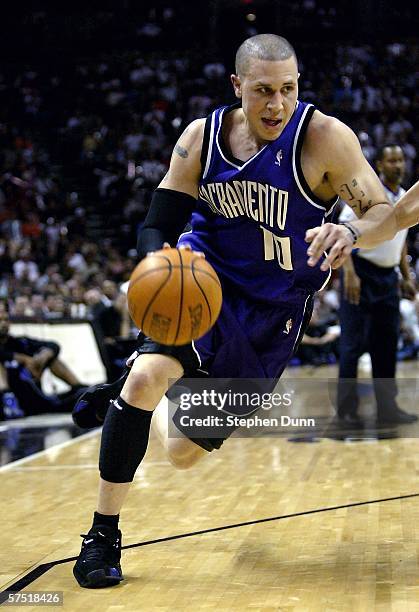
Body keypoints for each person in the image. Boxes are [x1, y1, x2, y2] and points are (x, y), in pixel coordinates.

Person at [73, 33, 397, 589]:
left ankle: (138, 390)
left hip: (273, 315)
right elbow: (161, 213)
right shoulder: (203, 137)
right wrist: (160, 261)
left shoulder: (323, 138)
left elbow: (383, 210)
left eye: (289, 90)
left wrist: (349, 229)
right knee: (149, 379)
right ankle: (102, 535)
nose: (277, 104)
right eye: (264, 91)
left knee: (180, 453)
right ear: (237, 86)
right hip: (205, 286)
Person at [337, 144, 417, 427]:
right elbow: (344, 234)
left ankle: (387, 408)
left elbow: (401, 239)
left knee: (386, 345)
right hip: (360, 273)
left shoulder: (406, 196)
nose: (397, 165)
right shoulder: (368, 195)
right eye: (391, 160)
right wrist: (349, 273)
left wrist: (405, 276)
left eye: (400, 160)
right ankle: (346, 411)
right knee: (352, 345)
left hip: (387, 277)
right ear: (380, 166)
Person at [305, 179, 419, 270]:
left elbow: (398, 235)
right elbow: (393, 223)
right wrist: (350, 232)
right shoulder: (372, 192)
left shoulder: (401, 192)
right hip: (364, 266)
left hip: (390, 269)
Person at [0, 304, 87, 418]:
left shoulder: (20, 342)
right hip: (9, 401)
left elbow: (54, 345)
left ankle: (82, 391)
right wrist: (22, 358)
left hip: (34, 398)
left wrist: (42, 358)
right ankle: (9, 403)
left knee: (52, 359)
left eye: (6, 319)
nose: (3, 323)